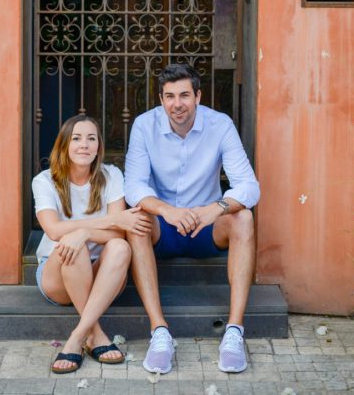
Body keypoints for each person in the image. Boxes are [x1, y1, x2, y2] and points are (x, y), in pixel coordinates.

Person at [124, 63, 260, 375]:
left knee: (244, 218)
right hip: (164, 226)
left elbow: (249, 186)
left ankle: (234, 331)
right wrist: (166, 210)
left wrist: (216, 208)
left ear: (198, 96)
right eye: (169, 96)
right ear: (161, 99)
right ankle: (159, 332)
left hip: (206, 226)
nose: (177, 103)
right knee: (136, 219)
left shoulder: (220, 124)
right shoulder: (145, 126)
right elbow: (133, 186)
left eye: (184, 95)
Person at [32, 114, 152, 374]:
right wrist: (92, 229)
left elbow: (119, 235)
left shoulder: (112, 176)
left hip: (104, 276)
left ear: (98, 146)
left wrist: (83, 232)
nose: (84, 145)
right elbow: (53, 230)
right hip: (58, 275)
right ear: (64, 145)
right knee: (74, 248)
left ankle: (76, 338)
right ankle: (94, 334)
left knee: (121, 248)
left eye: (91, 138)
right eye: (76, 138)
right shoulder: (44, 181)